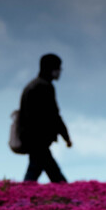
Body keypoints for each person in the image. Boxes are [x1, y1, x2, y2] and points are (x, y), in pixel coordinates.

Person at [19, 53, 72, 183]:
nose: (60, 72)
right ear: (52, 69)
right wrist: (66, 136)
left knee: (42, 169)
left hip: (32, 138)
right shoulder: (44, 87)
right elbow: (53, 115)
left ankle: (22, 197)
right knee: (51, 173)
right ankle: (69, 197)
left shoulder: (32, 85)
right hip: (38, 139)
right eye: (59, 68)